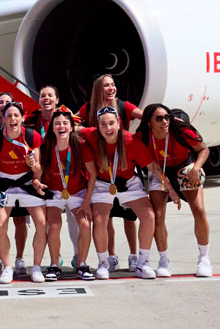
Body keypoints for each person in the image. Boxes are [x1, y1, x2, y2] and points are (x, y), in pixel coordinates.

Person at [81, 106, 173, 279]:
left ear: (118, 123)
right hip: (102, 184)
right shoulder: (91, 135)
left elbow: (153, 167)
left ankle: (143, 262)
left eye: (111, 123)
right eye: (103, 125)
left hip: (129, 183)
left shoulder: (130, 141)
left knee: (149, 216)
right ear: (98, 126)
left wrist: (172, 191)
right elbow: (73, 127)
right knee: (100, 219)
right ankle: (103, 263)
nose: (108, 128)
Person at [79, 74, 143, 273]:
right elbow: (73, 121)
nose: (111, 88)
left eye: (113, 84)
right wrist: (90, 133)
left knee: (129, 218)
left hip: (123, 167)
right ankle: (111, 256)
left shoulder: (124, 106)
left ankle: (134, 255)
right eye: (107, 85)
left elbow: (145, 117)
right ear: (99, 88)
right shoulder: (89, 107)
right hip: (102, 169)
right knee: (105, 218)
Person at [138, 104, 212, 277]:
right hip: (159, 171)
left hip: (185, 167)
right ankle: (164, 260)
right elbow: (153, 167)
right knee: (157, 214)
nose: (164, 121)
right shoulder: (143, 137)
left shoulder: (182, 130)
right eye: (159, 118)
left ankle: (204, 259)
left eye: (167, 117)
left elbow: (204, 149)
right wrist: (170, 189)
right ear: (149, 122)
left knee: (199, 210)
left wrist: (196, 168)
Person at [0, 101, 49, 284]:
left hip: (27, 182)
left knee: (42, 222)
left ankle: (36, 267)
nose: (13, 119)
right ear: (3, 119)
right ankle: (7, 267)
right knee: (0, 224)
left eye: (16, 115)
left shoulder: (32, 136)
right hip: (4, 184)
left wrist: (33, 164)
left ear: (22, 118)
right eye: (9, 116)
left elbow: (38, 170)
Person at [26, 86, 80, 267]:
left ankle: (78, 255)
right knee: (49, 223)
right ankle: (54, 258)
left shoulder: (67, 119)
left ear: (57, 100)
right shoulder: (32, 120)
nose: (46, 98)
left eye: (50, 95)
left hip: (69, 177)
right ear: (39, 100)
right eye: (43, 96)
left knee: (75, 222)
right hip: (44, 178)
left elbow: (83, 134)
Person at [36, 106, 92, 281]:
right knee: (54, 225)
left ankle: (81, 264)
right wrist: (36, 182)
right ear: (52, 127)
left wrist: (86, 201)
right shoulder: (46, 146)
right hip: (53, 192)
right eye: (57, 123)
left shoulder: (80, 145)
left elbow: (93, 174)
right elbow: (38, 172)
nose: (61, 126)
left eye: (65, 123)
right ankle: (54, 265)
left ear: (71, 126)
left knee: (84, 225)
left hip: (77, 192)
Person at [0, 91, 30, 274]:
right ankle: (3, 263)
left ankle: (19, 258)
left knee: (21, 221)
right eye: (1, 102)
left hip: (23, 182)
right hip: (2, 183)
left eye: (9, 103)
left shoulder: (27, 133)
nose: (5, 105)